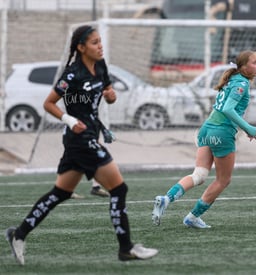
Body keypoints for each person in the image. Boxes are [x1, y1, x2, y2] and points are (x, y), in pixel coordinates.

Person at [5, 25, 158, 265]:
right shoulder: (72, 74)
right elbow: (49, 103)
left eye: (100, 41)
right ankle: (126, 248)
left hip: (87, 137)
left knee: (61, 193)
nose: (100, 46)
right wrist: (68, 119)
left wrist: (110, 95)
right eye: (95, 42)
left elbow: (107, 89)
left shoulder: (101, 65)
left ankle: (18, 234)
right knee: (119, 189)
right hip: (80, 140)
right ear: (81, 47)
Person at [152, 50, 256, 228]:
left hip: (206, 129)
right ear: (242, 67)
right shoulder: (241, 83)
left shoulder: (233, 79)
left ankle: (166, 198)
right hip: (221, 133)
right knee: (223, 180)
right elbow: (228, 109)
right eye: (254, 63)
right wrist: (248, 128)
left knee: (200, 175)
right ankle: (192, 217)